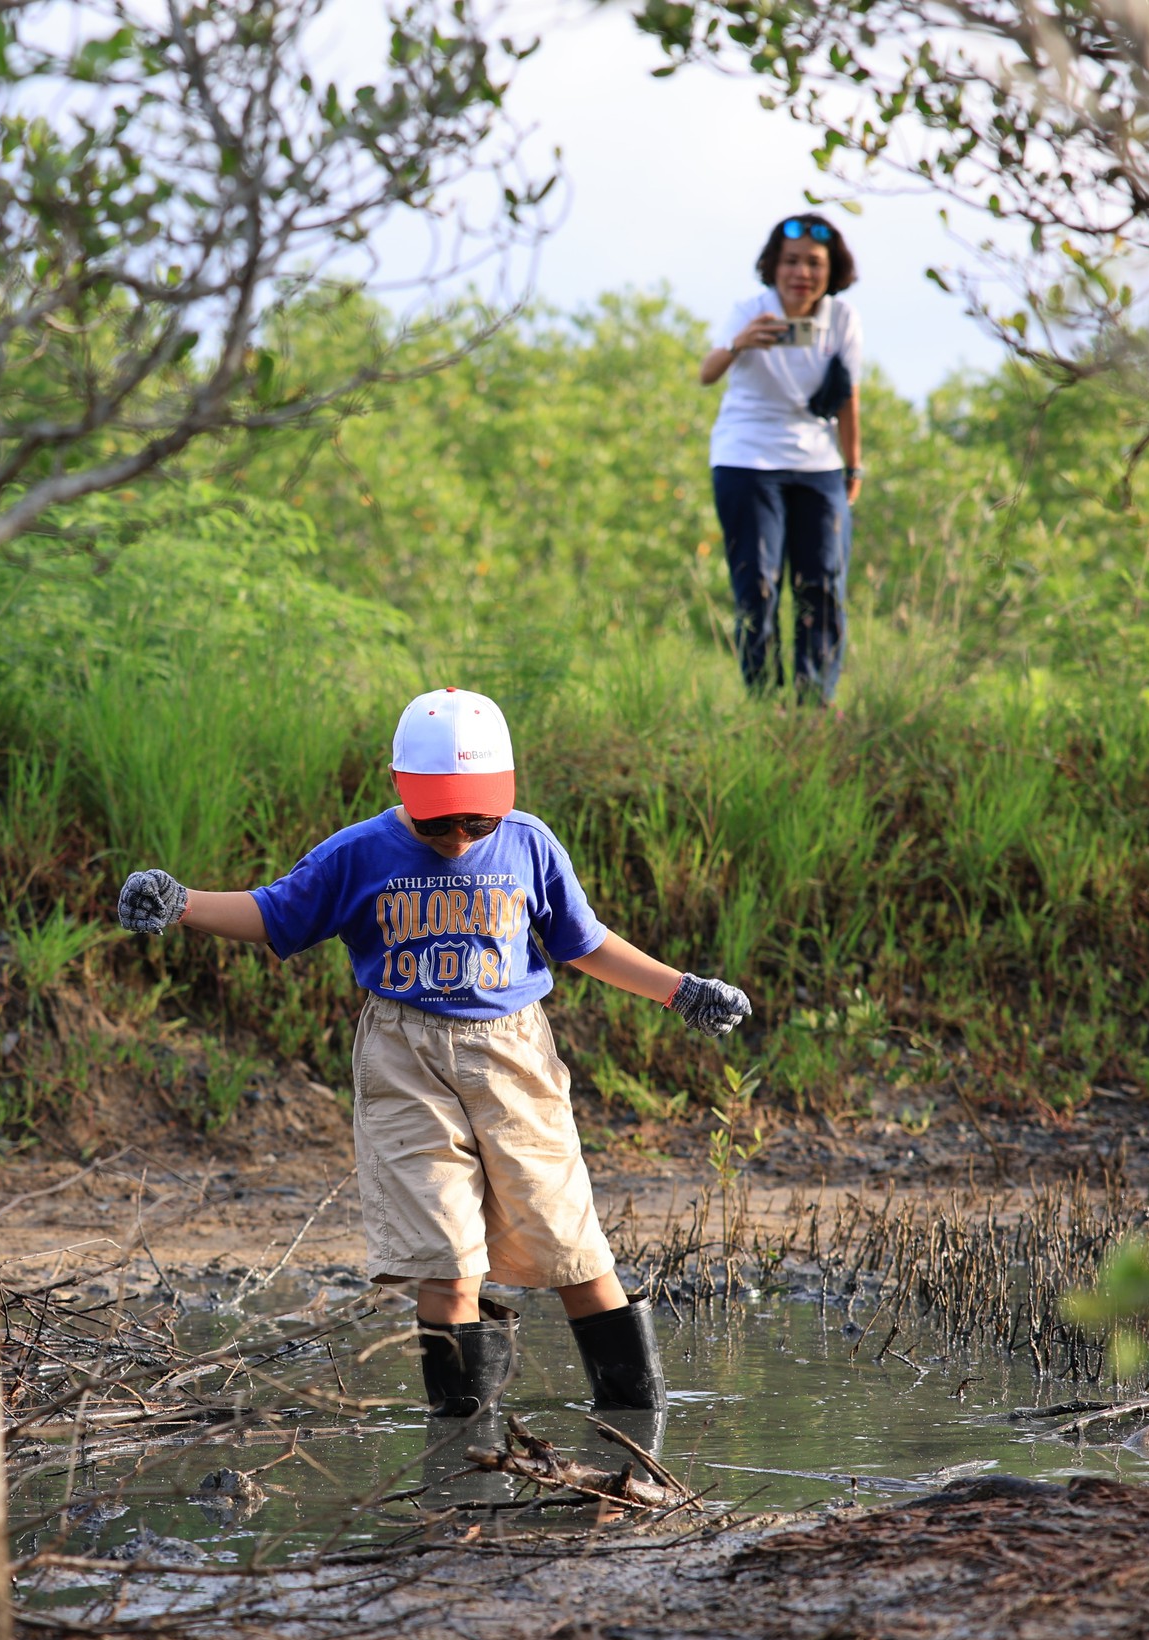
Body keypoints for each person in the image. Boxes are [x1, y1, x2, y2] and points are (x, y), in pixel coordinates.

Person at [114, 688, 752, 1418]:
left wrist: (683, 991)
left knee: (571, 1245)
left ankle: (640, 1430)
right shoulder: (359, 852)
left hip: (513, 1056)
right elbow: (274, 911)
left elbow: (585, 942)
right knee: (447, 1261)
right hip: (403, 1059)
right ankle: (463, 1457)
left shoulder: (528, 843)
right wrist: (182, 900)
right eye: (440, 817)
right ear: (402, 788)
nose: (458, 834)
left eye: (476, 818)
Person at [701, 213, 864, 706]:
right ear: (773, 267)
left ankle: (815, 702)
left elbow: (848, 398)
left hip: (818, 463)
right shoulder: (750, 309)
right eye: (791, 262)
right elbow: (707, 373)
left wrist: (853, 465)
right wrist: (740, 343)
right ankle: (763, 700)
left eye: (814, 263)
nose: (802, 274)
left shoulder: (841, 320)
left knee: (823, 583)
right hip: (747, 459)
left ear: (831, 270)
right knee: (759, 583)